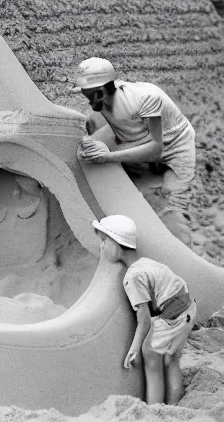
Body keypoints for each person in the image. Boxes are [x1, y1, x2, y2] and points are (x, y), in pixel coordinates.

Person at [74, 57, 196, 243]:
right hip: (137, 143)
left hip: (175, 149)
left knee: (172, 205)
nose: (87, 99)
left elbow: (155, 148)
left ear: (99, 93)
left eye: (87, 94)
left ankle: (182, 254)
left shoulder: (147, 97)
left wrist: (108, 156)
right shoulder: (102, 106)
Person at [93, 214, 194, 408]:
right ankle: (174, 404)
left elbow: (144, 319)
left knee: (149, 352)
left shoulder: (132, 277)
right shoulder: (145, 263)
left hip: (174, 314)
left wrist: (134, 348)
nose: (102, 247)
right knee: (170, 358)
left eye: (104, 241)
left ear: (115, 244)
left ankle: (155, 408)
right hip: (187, 306)